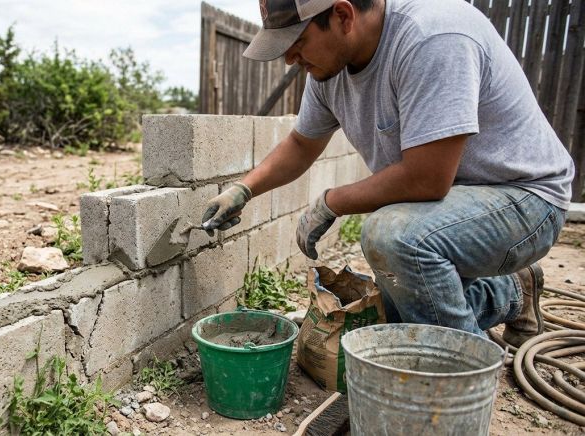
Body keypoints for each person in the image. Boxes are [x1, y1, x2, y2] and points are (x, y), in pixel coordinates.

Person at [200, 0, 575, 346]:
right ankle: (513, 292)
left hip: (524, 200)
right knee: (382, 317)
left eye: (297, 40)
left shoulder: (431, 37)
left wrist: (331, 203)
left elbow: (426, 179)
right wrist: (242, 190)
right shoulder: (329, 73)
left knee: (392, 237)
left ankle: (460, 372)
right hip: (449, 208)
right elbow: (301, 144)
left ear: (343, 16)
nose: (288, 59)